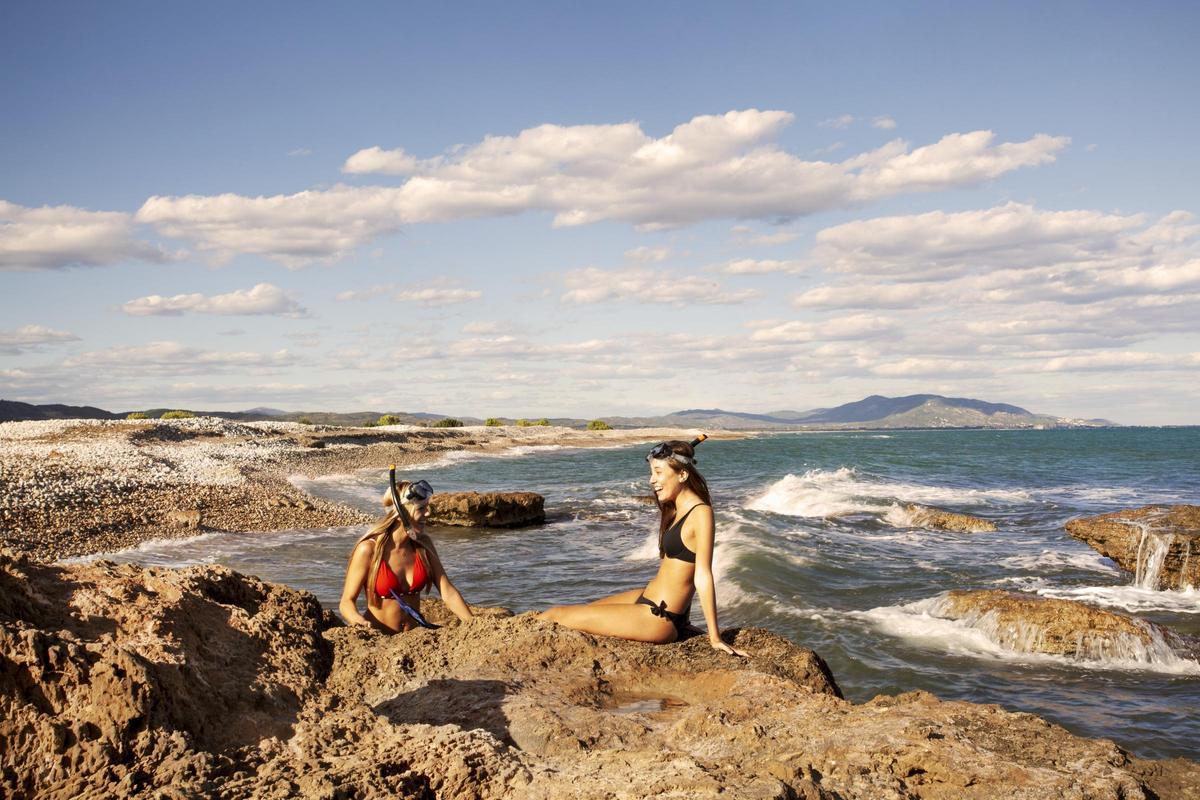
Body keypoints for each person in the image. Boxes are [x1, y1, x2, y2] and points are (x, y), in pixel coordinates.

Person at [540, 437, 747, 656]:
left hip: (659, 617)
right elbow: (677, 572)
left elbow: (702, 574)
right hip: (649, 600)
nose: (651, 480)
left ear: (682, 475)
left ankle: (504, 638)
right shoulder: (677, 508)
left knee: (556, 615)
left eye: (658, 472)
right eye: (652, 472)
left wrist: (714, 637)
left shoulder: (701, 513)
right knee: (581, 614)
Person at [339, 469, 474, 632]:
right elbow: (346, 602)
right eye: (421, 508)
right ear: (400, 514)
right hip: (379, 641)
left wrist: (475, 625)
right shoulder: (368, 550)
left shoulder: (423, 545)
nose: (428, 513)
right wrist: (357, 621)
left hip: (412, 639)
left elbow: (448, 592)